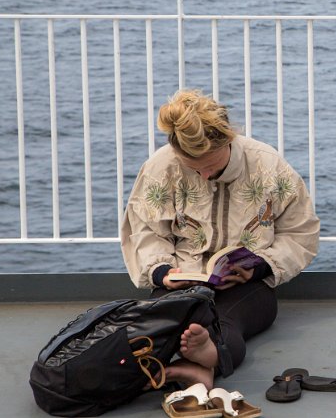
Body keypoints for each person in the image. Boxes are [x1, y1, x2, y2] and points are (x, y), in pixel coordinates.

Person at [121, 89, 320, 388]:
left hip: (249, 286)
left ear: (228, 141)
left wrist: (262, 265)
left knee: (227, 323)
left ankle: (203, 357)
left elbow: (300, 232)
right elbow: (145, 229)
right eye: (192, 167)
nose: (202, 175)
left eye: (211, 166)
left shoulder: (268, 165)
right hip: (184, 278)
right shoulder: (161, 165)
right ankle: (201, 366)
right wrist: (162, 272)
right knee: (156, 324)